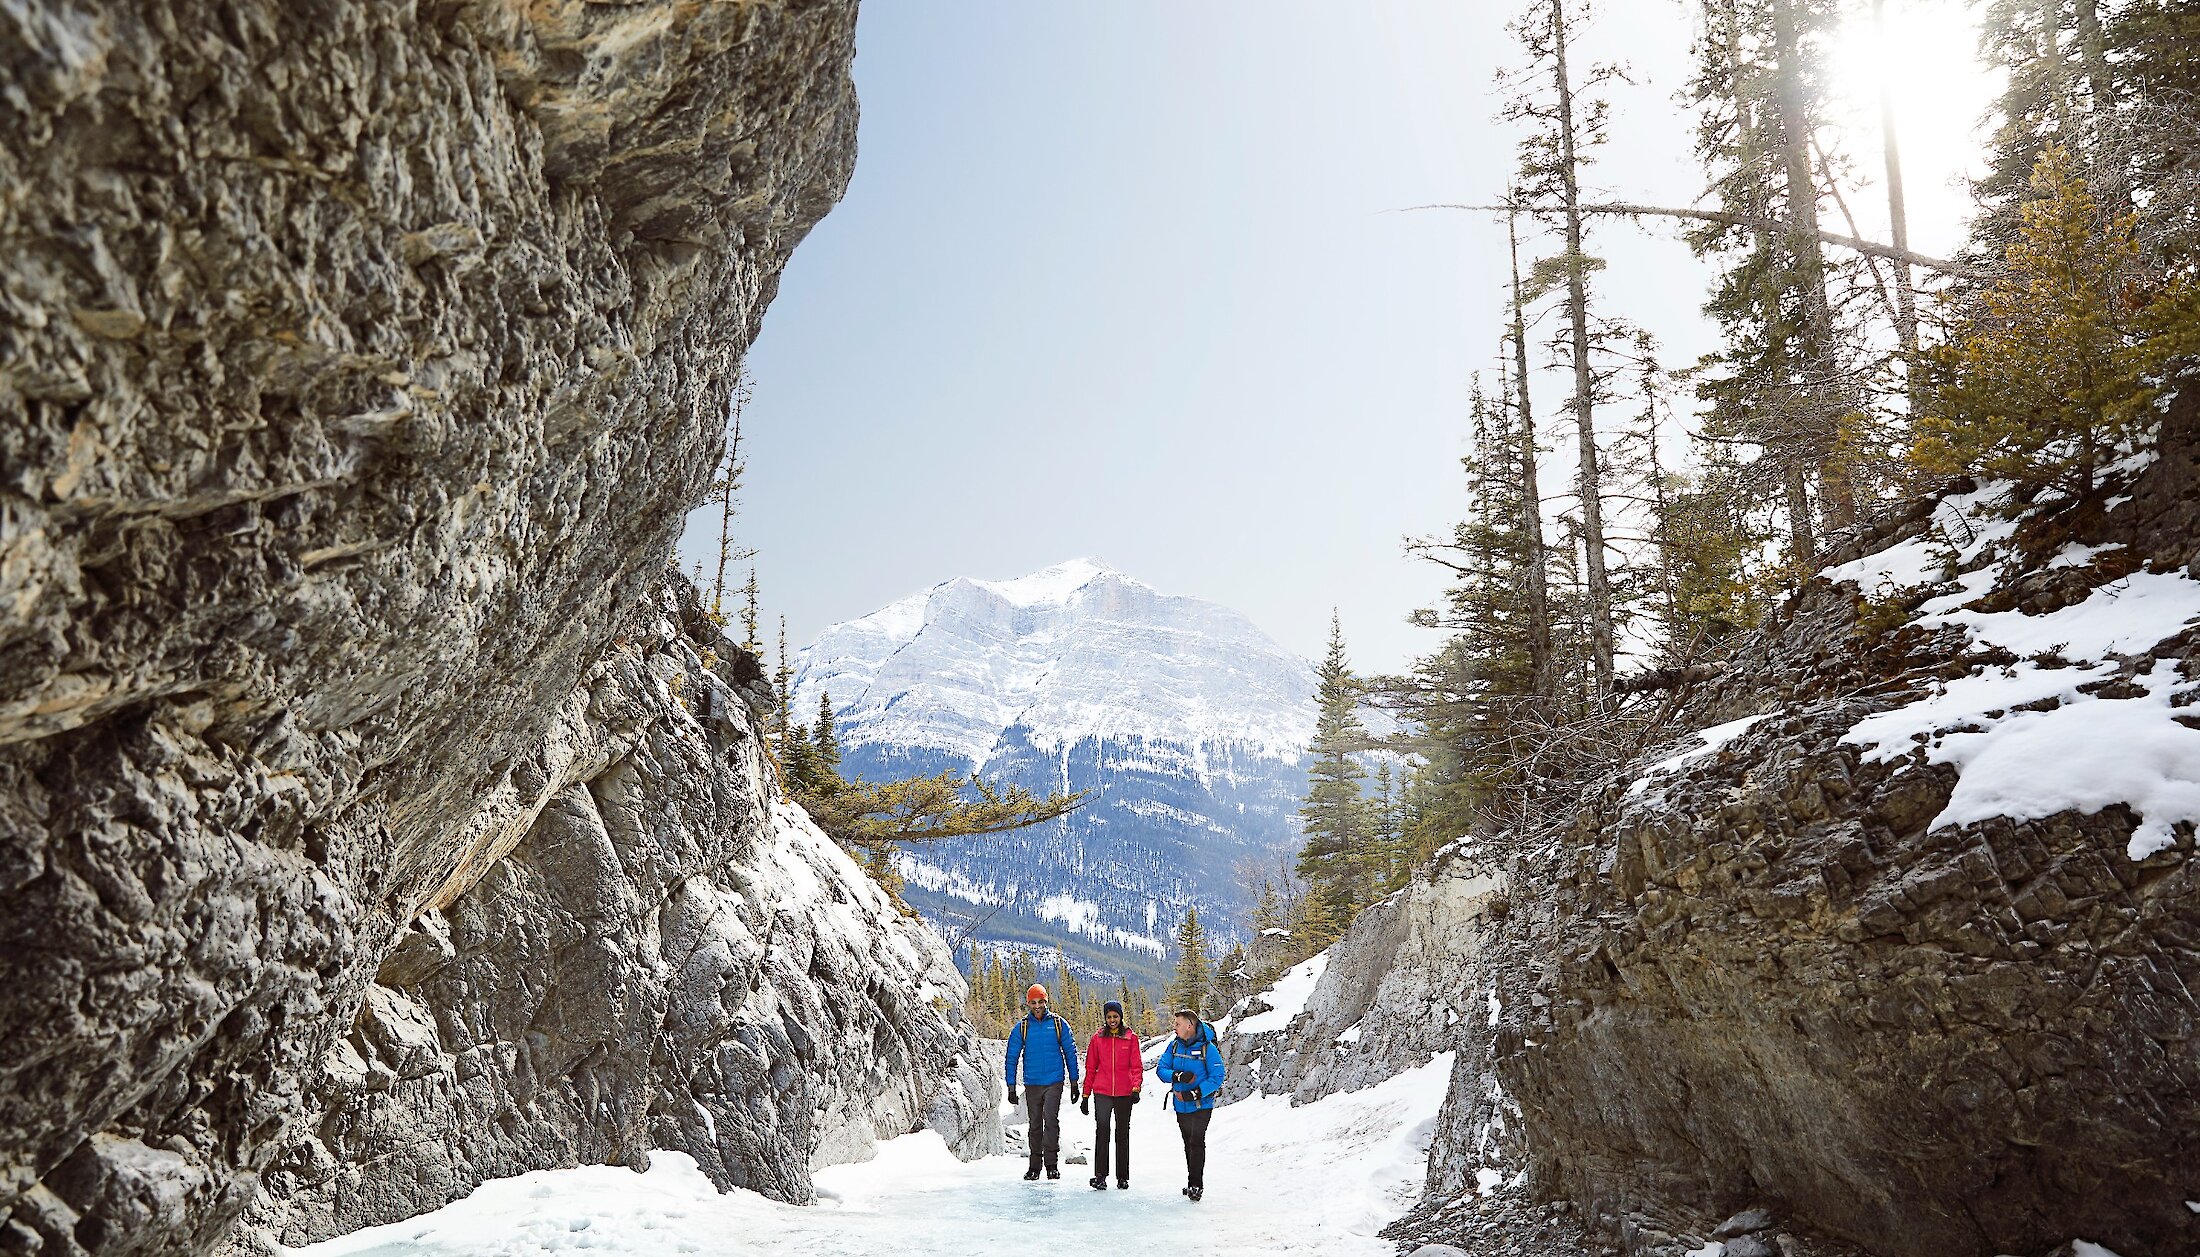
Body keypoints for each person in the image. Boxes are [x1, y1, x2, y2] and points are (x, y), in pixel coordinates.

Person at [1003, 983, 1079, 1180]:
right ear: (1028, 1003)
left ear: (1046, 1001)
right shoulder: (1022, 1028)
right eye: (1033, 1002)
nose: (1037, 1006)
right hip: (1032, 1083)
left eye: (1041, 1001)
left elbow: (1070, 1053)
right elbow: (1011, 1057)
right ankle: (1034, 1167)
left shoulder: (1059, 1024)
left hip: (1054, 1081)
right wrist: (1011, 1087)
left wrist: (1074, 1082)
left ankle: (1051, 1165)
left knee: (1051, 1121)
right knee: (1034, 1124)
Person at [1153, 1008, 1225, 1201]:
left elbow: (1218, 1076)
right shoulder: (1174, 1046)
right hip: (1180, 1104)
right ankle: (1191, 1182)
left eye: (1177, 1024)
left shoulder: (1207, 1048)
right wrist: (1177, 1076)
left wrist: (1195, 1093)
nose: (1174, 1027)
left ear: (1189, 1025)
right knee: (1188, 1143)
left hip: (1202, 1105)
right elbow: (1161, 1070)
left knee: (1196, 1141)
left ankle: (1196, 1185)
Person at [1080, 1000, 1142, 1190]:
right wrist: (1085, 1095)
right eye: (1109, 1017)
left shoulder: (1131, 1038)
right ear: (1105, 1018)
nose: (1112, 1020)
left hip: (1124, 1093)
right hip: (1102, 1092)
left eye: (1115, 1016)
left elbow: (1136, 1066)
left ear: (1121, 1017)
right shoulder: (1097, 1039)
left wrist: (1135, 1088)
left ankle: (1122, 1177)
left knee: (1122, 1134)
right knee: (1102, 1132)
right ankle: (1100, 1176)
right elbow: (1091, 1068)